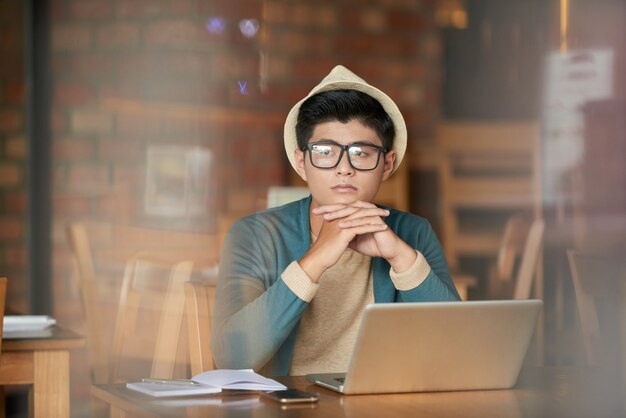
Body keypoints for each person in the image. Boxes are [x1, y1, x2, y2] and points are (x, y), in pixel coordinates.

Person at [212, 65, 460, 376]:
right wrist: (315, 260)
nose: (344, 168)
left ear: (387, 164)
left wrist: (400, 256)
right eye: (326, 152)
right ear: (302, 163)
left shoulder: (413, 233)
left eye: (361, 152)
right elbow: (233, 358)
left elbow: (456, 350)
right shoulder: (255, 234)